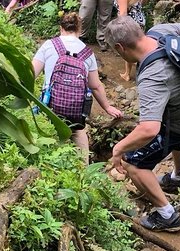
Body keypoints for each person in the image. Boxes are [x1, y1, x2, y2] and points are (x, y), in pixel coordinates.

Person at [104, 16, 180, 232]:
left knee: (134, 164)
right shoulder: (162, 31)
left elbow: (150, 129)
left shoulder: (152, 76)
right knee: (176, 139)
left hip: (179, 124)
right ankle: (178, 177)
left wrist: (118, 149)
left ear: (120, 47)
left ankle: (167, 216)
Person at [32, 12, 122, 164]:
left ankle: (48, 164)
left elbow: (31, 73)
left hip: (49, 106)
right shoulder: (87, 53)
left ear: (61, 28)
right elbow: (95, 86)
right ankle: (84, 171)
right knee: (79, 132)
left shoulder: (49, 45)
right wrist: (107, 107)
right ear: (79, 30)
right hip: (75, 109)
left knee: (48, 134)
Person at [115, 0, 147, 81]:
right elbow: (142, 4)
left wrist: (118, 27)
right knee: (139, 48)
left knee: (128, 50)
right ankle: (133, 73)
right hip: (140, 21)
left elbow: (123, 15)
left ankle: (128, 74)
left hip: (129, 24)